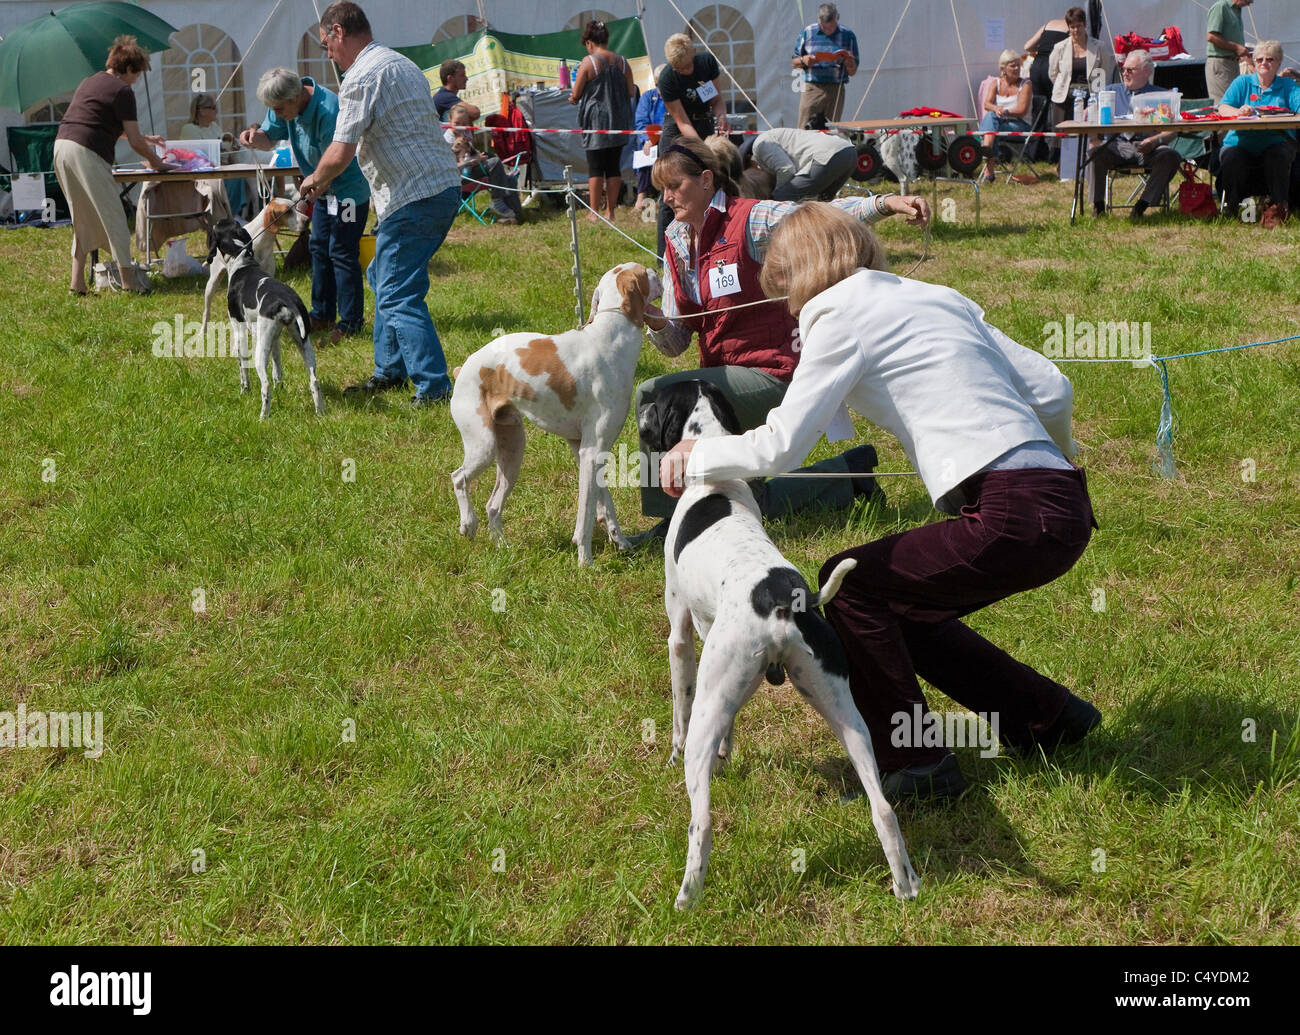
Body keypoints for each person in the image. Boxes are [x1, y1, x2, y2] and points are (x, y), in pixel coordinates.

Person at [658, 202, 1100, 802]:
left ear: (800, 271)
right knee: (895, 604)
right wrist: (1064, 459)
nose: (786, 306)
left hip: (1011, 509)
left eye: (782, 285)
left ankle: (915, 768)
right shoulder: (938, 296)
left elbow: (781, 446)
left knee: (852, 587)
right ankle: (1049, 719)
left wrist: (697, 456)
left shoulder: (839, 316)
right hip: (1062, 502)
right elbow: (1052, 386)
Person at [630, 137, 930, 542]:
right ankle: (849, 473)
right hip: (721, 378)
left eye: (674, 186)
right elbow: (677, 342)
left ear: (705, 180)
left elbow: (819, 217)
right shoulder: (677, 242)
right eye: (661, 189)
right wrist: (654, 320)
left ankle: (670, 522)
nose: (666, 199)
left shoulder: (750, 219)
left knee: (655, 395)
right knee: (747, 500)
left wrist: (885, 204)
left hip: (775, 371)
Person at [299, 1, 461, 407]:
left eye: (326, 44)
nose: (328, 54)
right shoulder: (401, 63)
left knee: (396, 291)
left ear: (338, 32)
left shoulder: (360, 77)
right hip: (437, 186)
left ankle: (435, 387)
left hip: (414, 194)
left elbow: (340, 152)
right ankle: (389, 370)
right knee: (384, 279)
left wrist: (314, 182)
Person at [240, 68, 372, 345]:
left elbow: (335, 162)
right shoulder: (284, 103)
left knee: (343, 252)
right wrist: (254, 136)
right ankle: (322, 313)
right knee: (318, 248)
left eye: (279, 108)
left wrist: (311, 189)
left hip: (346, 193)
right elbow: (269, 136)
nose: (276, 113)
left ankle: (350, 323)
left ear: (297, 96)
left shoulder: (328, 110)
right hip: (322, 193)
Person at [52, 35, 171, 295]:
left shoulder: (90, 81)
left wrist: (145, 138)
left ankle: (77, 284)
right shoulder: (123, 91)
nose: (136, 80)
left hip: (61, 147)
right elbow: (136, 144)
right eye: (136, 74)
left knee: (81, 217)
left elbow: (99, 121)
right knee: (115, 217)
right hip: (86, 152)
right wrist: (158, 164)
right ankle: (128, 285)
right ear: (128, 68)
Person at [655, 33, 728, 257]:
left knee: (709, 184)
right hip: (678, 128)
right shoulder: (667, 79)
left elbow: (716, 99)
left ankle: (712, 243)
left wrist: (721, 116)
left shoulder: (707, 63)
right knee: (670, 191)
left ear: (694, 55)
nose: (685, 71)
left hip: (704, 121)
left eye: (687, 66)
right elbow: (682, 121)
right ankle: (665, 253)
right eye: (679, 68)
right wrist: (703, 150)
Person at [1087, 50, 1183, 220]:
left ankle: (1142, 206)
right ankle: (1098, 206)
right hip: (1116, 146)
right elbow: (1090, 116)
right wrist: (1094, 139)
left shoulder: (1160, 95)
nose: (1125, 73)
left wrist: (1155, 141)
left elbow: (1172, 129)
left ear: (1147, 71)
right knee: (1095, 153)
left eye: (1130, 70)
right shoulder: (1110, 92)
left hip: (1147, 147)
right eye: (1123, 69)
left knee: (1170, 155)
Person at [1218, 40, 1300, 227]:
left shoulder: (1288, 85)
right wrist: (1239, 112)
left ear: (1279, 63)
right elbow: (1223, 107)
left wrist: (1284, 115)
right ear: (1253, 63)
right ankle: (1232, 208)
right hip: (1239, 142)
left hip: (1276, 141)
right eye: (1260, 59)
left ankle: (1279, 208)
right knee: (1230, 156)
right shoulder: (1242, 82)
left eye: (1270, 59)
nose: (1264, 63)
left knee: (1278, 155)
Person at [569, 19, 635, 223]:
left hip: (596, 122)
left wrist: (572, 98)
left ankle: (594, 212)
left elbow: (576, 94)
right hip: (618, 120)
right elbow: (631, 91)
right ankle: (611, 212)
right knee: (613, 166)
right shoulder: (623, 62)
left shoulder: (589, 62)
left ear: (589, 42)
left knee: (596, 167)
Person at [444, 102, 523, 225]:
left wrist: (476, 157)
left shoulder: (466, 133)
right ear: (449, 121)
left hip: (471, 170)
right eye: (457, 123)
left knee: (509, 179)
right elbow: (449, 168)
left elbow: (470, 154)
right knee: (495, 162)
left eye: (465, 124)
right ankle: (497, 201)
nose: (461, 127)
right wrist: (473, 161)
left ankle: (513, 215)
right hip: (459, 177)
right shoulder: (448, 139)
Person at [736, 127, 857, 201]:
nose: (756, 170)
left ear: (749, 157)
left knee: (780, 201)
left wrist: (775, 196)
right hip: (849, 151)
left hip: (828, 155)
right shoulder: (776, 136)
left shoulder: (760, 144)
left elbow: (787, 170)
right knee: (822, 203)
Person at [181, 92, 251, 217]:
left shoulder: (214, 126)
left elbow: (225, 149)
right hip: (201, 172)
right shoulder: (189, 129)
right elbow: (195, 156)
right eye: (213, 108)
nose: (216, 110)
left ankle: (236, 214)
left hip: (219, 167)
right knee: (234, 179)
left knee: (241, 174)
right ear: (201, 111)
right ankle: (228, 216)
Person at [791, 3, 859, 128]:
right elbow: (794, 62)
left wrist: (849, 62)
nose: (828, 30)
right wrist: (804, 60)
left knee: (832, 131)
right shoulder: (808, 32)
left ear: (837, 17)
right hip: (812, 88)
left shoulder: (848, 35)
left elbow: (853, 71)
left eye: (831, 27)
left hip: (836, 89)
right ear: (819, 20)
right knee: (805, 128)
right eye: (824, 27)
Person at [1048, 7, 1109, 134]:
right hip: (1063, 99)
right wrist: (1064, 86)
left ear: (1085, 25)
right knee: (1061, 140)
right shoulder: (1059, 47)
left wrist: (1095, 96)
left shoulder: (1099, 47)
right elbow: (1053, 73)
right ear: (1068, 28)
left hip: (1090, 99)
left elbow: (1103, 74)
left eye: (1079, 26)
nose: (1076, 30)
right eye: (1072, 26)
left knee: (1088, 137)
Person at [977, 50, 1033, 183]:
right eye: (1013, 65)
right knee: (992, 119)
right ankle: (989, 165)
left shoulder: (1026, 84)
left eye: (1018, 65)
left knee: (992, 124)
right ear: (1003, 68)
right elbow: (987, 104)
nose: (1017, 68)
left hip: (1020, 124)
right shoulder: (995, 83)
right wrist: (996, 108)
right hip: (999, 123)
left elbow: (1022, 111)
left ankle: (987, 159)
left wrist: (1004, 112)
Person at [1025, 15, 1070, 160]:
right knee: (1059, 109)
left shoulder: (1048, 23)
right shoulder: (1071, 28)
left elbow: (1028, 47)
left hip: (1037, 67)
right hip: (1052, 67)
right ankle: (1056, 153)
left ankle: (1034, 152)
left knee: (1039, 110)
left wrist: (1043, 48)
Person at [1206, 0, 1255, 105]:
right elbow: (1211, 36)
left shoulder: (1236, 10)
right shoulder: (1221, 7)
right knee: (1223, 105)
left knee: (1234, 103)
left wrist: (1242, 49)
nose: (1250, 3)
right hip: (1221, 64)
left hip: (1232, 63)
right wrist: (1237, 48)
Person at [633, 64, 666, 213]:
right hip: (651, 140)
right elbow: (641, 122)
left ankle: (667, 194)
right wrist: (648, 138)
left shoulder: (674, 97)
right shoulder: (648, 97)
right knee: (644, 151)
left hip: (669, 137)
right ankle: (642, 196)